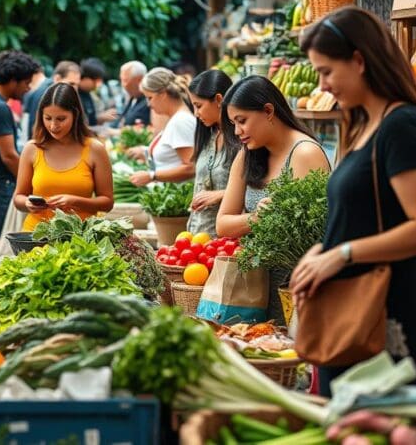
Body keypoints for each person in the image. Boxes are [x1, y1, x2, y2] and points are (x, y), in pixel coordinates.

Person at [290, 7, 416, 396]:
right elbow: (362, 215)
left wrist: (342, 254)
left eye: (326, 71)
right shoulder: (363, 125)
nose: (322, 85)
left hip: (384, 315)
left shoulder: (401, 126)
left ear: (359, 60)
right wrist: (322, 251)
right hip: (349, 313)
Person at [216, 75, 330, 323]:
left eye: (242, 121)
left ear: (268, 111)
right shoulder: (247, 155)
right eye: (233, 124)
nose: (237, 132)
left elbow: (314, 232)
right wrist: (258, 218)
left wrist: (265, 220)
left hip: (296, 287)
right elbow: (222, 225)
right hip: (252, 290)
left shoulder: (305, 153)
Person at [14, 83, 114, 231]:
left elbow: (107, 203)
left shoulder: (95, 149)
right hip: (36, 235)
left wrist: (75, 201)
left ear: (75, 115)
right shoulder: (32, 148)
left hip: (80, 237)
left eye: (61, 119)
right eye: (48, 118)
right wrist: (27, 203)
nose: (53, 125)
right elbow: (18, 197)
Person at [0, 50, 41, 265]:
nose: (28, 88)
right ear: (13, 80)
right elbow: (9, 155)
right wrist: (30, 182)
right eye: (26, 83)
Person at [186, 69, 237, 237]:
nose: (196, 114)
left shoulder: (242, 140)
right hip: (196, 235)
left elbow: (258, 190)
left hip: (226, 242)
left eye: (198, 106)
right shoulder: (208, 135)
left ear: (219, 100)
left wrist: (221, 194)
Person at [127, 67, 196, 187]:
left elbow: (191, 168)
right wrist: (146, 152)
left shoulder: (181, 121)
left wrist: (152, 176)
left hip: (176, 194)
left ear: (163, 94)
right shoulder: (176, 119)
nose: (148, 104)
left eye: (150, 98)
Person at [23, 60, 81, 138]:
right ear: (57, 78)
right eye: (71, 84)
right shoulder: (45, 94)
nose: (75, 89)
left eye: (77, 85)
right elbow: (34, 127)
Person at [118, 61, 151, 127]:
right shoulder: (133, 98)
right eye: (121, 80)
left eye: (125, 80)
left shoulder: (150, 101)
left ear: (139, 79)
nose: (123, 85)